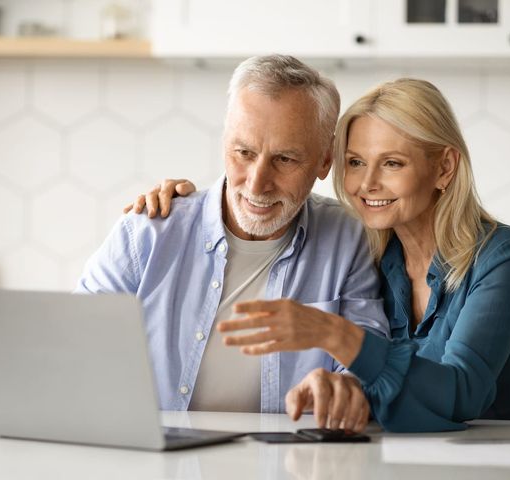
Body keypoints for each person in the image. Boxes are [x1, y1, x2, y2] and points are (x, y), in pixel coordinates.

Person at [136, 78, 510, 432]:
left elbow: (462, 393)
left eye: (392, 163)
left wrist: (335, 335)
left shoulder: (503, 257)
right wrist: (201, 204)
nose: (366, 184)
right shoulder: (373, 250)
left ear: (445, 168)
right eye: (356, 162)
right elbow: (382, 381)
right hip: (411, 458)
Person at [76, 54, 388, 427]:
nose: (257, 183)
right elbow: (74, 351)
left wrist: (346, 389)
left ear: (324, 161)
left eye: (285, 159)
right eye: (244, 152)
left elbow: (369, 359)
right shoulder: (146, 232)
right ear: (225, 141)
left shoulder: (348, 238)